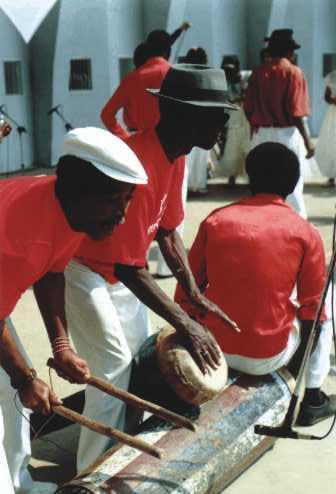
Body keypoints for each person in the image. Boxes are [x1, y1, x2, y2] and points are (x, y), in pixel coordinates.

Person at [65, 65, 238, 471]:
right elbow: (129, 267)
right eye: (215, 115)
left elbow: (168, 230)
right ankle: (95, 472)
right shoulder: (136, 162)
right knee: (111, 372)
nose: (222, 124)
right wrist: (187, 324)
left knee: (141, 365)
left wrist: (194, 294)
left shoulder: (174, 157)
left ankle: (125, 456)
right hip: (84, 270)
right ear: (183, 116)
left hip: (119, 271)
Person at [0, 127, 147, 494]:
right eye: (116, 199)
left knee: (11, 395)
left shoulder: (69, 210)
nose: (123, 214)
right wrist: (24, 377)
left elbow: (51, 274)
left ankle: (19, 482)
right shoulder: (20, 234)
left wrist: (62, 347)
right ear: (80, 191)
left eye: (127, 199)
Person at [175, 142, 335, 426]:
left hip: (213, 351)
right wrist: (293, 372)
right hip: (268, 357)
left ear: (251, 178)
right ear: (293, 183)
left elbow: (186, 293)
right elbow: (313, 311)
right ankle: (312, 397)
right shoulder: (305, 231)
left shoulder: (215, 220)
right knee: (324, 306)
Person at [244, 29, 315, 219]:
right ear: (289, 51)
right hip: (287, 135)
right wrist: (309, 143)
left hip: (261, 135)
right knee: (291, 189)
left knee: (261, 188)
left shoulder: (258, 73)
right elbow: (296, 112)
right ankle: (296, 233)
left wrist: (255, 132)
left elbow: (248, 109)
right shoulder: (294, 72)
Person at [101, 22, 191, 137]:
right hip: (171, 143)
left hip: (137, 142)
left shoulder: (132, 79)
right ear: (167, 51)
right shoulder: (179, 76)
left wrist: (126, 138)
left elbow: (106, 114)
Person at [216, 56, 251, 187]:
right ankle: (232, 176)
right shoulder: (223, 82)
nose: (228, 72)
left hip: (247, 117)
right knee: (232, 147)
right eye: (225, 69)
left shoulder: (247, 76)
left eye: (230, 69)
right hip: (234, 117)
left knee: (248, 147)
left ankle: (250, 177)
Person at [315, 70, 336, 187]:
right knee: (332, 143)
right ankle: (332, 177)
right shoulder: (332, 76)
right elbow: (326, 97)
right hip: (334, 115)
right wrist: (334, 100)